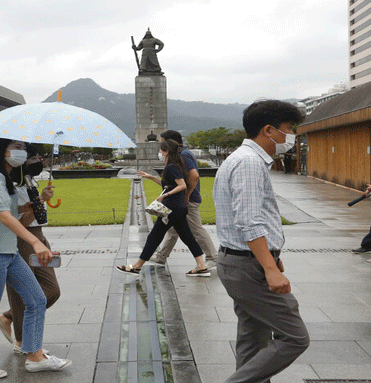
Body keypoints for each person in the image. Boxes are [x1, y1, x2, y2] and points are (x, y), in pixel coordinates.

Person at [0, 138, 70, 379]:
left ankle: (35, 356)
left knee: (37, 299)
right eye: (16, 147)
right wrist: (35, 241)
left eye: (23, 148)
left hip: (8, 254)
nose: (22, 152)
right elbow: (5, 217)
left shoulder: (5, 178)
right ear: (2, 150)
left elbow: (10, 212)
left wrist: (33, 203)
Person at [213, 99, 309, 382]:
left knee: (253, 339)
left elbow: (252, 219)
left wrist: (271, 255)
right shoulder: (249, 163)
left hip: (242, 261)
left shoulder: (243, 160)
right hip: (248, 267)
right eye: (289, 129)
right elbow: (249, 221)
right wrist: (269, 268)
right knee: (294, 336)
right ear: (269, 130)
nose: (291, 137)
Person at [0, 144, 61, 355]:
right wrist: (37, 203)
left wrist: (42, 199)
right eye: (33, 158)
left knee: (51, 290)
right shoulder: (8, 183)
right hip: (22, 240)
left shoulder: (27, 179)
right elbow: (15, 220)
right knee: (22, 293)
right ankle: (23, 342)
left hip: (37, 236)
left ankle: (8, 317)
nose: (37, 162)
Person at [117, 139, 210, 277]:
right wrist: (150, 177)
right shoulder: (177, 165)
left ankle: (136, 266)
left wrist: (164, 196)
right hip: (178, 208)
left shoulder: (171, 167)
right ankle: (201, 265)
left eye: (161, 150)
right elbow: (168, 184)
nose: (159, 152)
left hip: (171, 210)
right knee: (187, 237)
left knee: (154, 236)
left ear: (166, 152)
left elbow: (182, 185)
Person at [149, 130, 218, 268]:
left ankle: (213, 257)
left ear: (170, 142)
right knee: (172, 229)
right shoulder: (180, 154)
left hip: (188, 200)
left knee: (196, 229)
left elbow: (194, 176)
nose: (162, 147)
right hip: (180, 200)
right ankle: (161, 257)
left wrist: (186, 195)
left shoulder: (184, 155)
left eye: (163, 142)